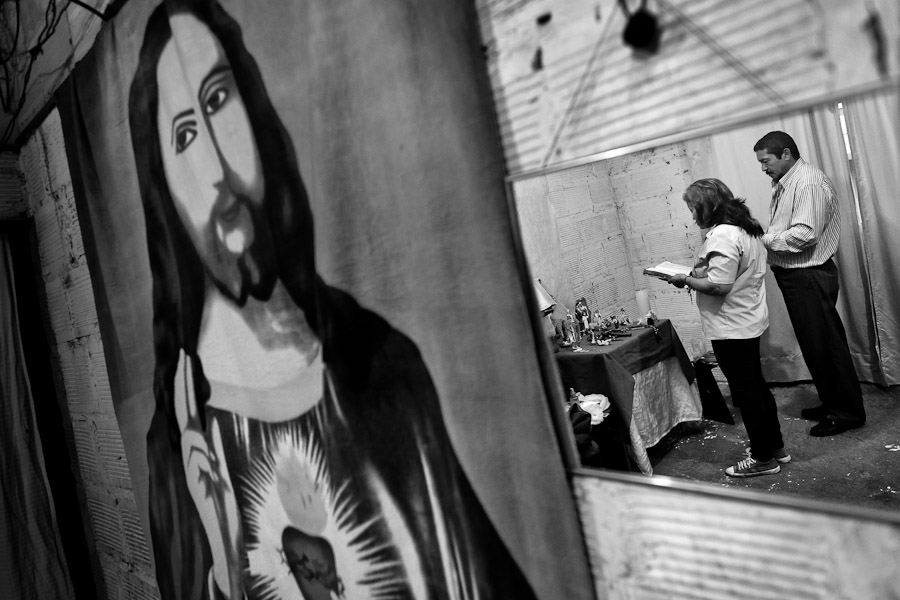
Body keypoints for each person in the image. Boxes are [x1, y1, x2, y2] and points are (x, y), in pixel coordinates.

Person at [128, 2, 537, 599]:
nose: (216, 166)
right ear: (163, 187)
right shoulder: (179, 445)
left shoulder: (379, 363)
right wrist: (220, 564)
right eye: (185, 134)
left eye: (219, 100)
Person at [667, 178, 789, 478]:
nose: (693, 215)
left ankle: (763, 459)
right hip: (747, 321)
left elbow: (718, 285)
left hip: (731, 327)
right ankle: (775, 448)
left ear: (707, 207)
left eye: (693, 208)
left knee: (746, 393)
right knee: (757, 388)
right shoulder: (746, 229)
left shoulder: (722, 236)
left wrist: (684, 279)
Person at [753, 131, 865, 437]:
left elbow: (805, 234)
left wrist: (763, 239)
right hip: (799, 276)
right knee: (816, 347)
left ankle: (847, 413)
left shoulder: (808, 182)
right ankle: (832, 402)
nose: (763, 168)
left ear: (786, 154)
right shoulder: (787, 181)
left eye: (766, 161)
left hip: (809, 276)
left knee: (827, 346)